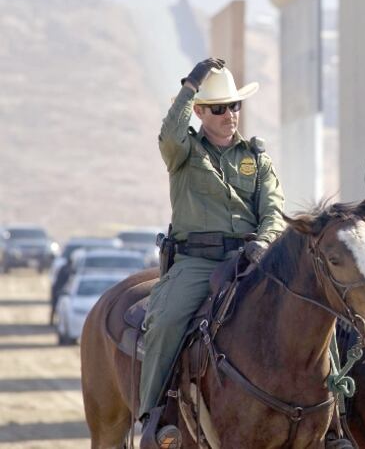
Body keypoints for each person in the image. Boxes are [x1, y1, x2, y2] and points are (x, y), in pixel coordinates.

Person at [139, 59, 285, 449]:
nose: (229, 115)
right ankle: (153, 418)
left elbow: (274, 211)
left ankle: (334, 418)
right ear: (200, 112)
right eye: (218, 108)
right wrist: (191, 85)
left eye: (234, 106)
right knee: (166, 320)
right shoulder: (182, 152)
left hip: (251, 261)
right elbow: (169, 133)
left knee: (312, 310)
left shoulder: (257, 158)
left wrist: (264, 241)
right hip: (197, 263)